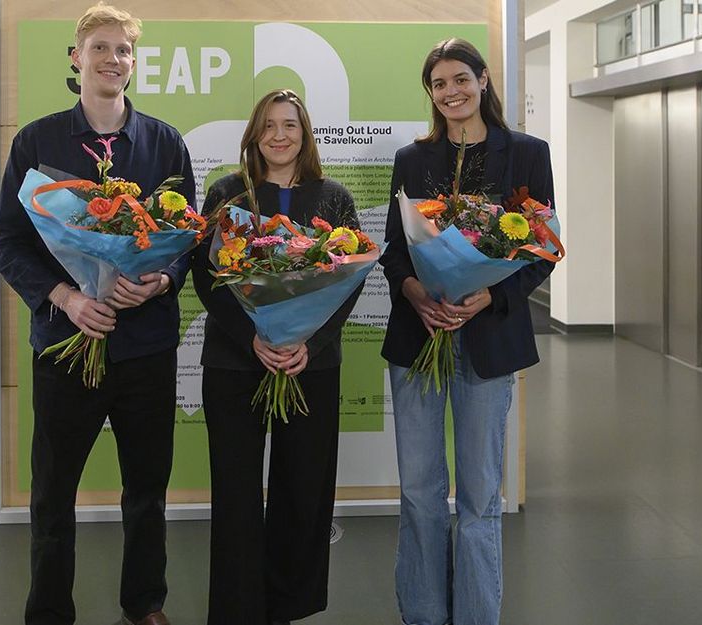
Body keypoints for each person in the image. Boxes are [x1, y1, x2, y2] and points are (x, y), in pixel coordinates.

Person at [0, 3, 195, 625]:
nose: (112, 59)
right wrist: (67, 297)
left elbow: (187, 239)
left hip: (145, 346)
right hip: (64, 343)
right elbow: (7, 240)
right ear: (77, 58)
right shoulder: (37, 141)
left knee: (147, 489)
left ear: (134, 62)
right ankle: (50, 611)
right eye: (100, 48)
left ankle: (145, 603)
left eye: (123, 50)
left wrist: (160, 280)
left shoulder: (165, 143)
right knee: (53, 493)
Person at [380, 39, 555, 625]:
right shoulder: (413, 158)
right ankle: (424, 615)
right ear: (430, 93)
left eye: (460, 79)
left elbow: (542, 249)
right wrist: (416, 294)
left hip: (490, 338)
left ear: (482, 80)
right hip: (419, 339)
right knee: (419, 493)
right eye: (439, 84)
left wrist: (490, 294)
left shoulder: (527, 154)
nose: (450, 92)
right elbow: (396, 251)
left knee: (480, 496)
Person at [191, 89, 361, 625]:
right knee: (236, 493)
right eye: (268, 126)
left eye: (289, 125)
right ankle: (237, 611)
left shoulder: (334, 198)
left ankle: (288, 606)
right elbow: (206, 277)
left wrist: (311, 342)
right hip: (235, 364)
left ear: (305, 133)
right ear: (254, 135)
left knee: (303, 489)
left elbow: (351, 280)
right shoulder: (226, 193)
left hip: (311, 364)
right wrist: (253, 338)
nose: (279, 135)